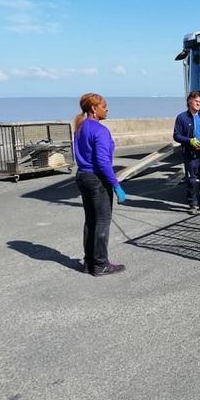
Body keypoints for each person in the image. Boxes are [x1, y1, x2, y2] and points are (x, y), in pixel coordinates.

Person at [73, 93, 126, 276]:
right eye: (104, 106)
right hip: (96, 179)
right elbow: (103, 162)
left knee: (90, 220)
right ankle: (101, 264)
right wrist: (115, 184)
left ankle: (89, 262)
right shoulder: (100, 130)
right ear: (94, 109)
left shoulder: (80, 127)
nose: (107, 109)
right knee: (102, 222)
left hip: (82, 176)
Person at [173, 91, 200, 214]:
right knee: (192, 180)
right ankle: (193, 204)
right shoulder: (181, 118)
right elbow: (176, 136)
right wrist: (189, 141)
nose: (199, 103)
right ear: (189, 102)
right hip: (191, 154)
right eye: (196, 101)